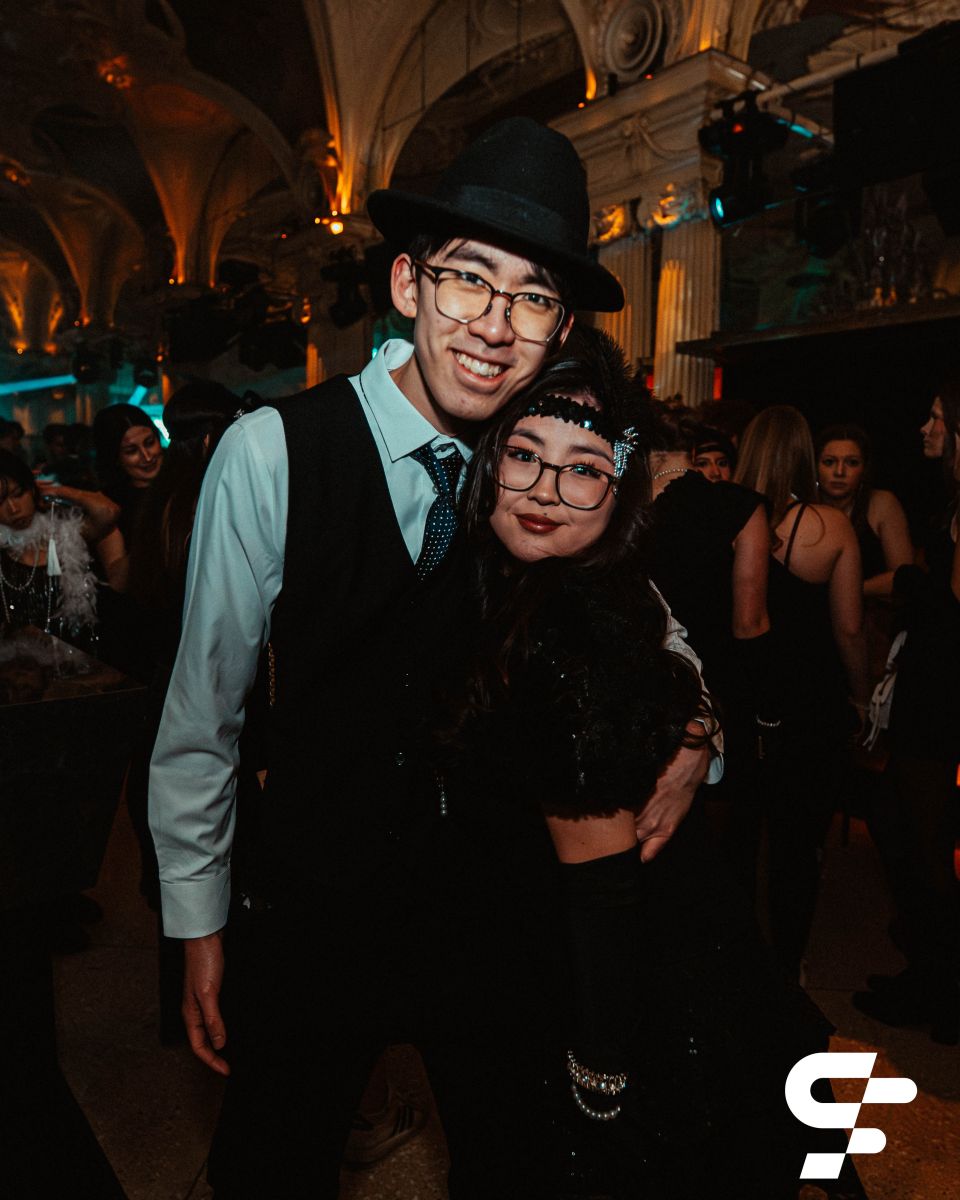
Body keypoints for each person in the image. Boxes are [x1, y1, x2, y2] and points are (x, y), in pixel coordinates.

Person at [149, 119, 712, 1200]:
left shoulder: (531, 454)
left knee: (512, 1167)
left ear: (559, 329)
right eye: (469, 281)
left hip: (488, 913)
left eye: (533, 298)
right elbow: (200, 716)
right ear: (409, 284)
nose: (494, 326)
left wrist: (700, 728)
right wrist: (198, 919)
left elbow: (648, 618)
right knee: (270, 1166)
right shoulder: (276, 453)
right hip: (316, 902)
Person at [443, 336, 847, 1199]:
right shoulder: (515, 586)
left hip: (614, 982)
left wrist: (600, 1072)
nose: (546, 490)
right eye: (524, 455)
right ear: (489, 462)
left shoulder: (567, 631)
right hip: (597, 949)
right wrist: (697, 728)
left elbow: (602, 894)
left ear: (619, 490)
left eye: (584, 469)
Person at [735, 406, 870, 981]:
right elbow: (850, 628)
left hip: (742, 695)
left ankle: (732, 962)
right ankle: (786, 969)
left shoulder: (725, 518)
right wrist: (862, 698)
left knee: (738, 836)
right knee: (797, 843)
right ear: (804, 456)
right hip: (809, 704)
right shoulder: (828, 526)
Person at [854, 388, 960, 1044]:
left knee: (923, 844)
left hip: (943, 699)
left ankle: (942, 993)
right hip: (931, 693)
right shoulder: (952, 500)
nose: (925, 427)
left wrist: (907, 586)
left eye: (938, 418)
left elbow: (950, 606)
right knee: (903, 828)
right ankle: (929, 977)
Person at [645, 406, 776, 901]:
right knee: (717, 848)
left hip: (644, 683)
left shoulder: (613, 505)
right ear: (693, 452)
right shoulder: (740, 507)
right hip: (718, 691)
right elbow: (750, 623)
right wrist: (766, 711)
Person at [815, 423, 913, 599]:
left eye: (852, 463)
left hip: (873, 609)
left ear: (864, 469)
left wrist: (845, 593)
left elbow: (905, 577)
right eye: (829, 462)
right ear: (815, 466)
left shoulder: (881, 504)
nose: (839, 472)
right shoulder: (804, 507)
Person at [92, 402, 164, 544]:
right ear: (114, 458)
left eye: (150, 443)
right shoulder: (111, 505)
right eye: (131, 451)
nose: (147, 457)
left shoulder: (185, 482)